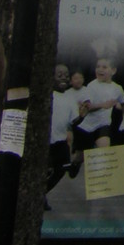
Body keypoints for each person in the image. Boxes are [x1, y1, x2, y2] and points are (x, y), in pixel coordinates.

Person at [70, 56, 124, 171]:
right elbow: (87, 107)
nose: (100, 69)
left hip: (103, 125)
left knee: (104, 148)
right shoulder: (92, 86)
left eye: (104, 67)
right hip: (86, 126)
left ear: (113, 71)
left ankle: (101, 179)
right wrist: (103, 105)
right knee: (81, 156)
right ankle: (76, 163)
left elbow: (123, 104)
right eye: (98, 67)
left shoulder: (117, 88)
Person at [47, 63, 82, 197]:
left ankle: (43, 192)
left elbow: (73, 121)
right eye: (59, 75)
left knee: (62, 169)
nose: (64, 78)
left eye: (67, 76)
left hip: (60, 140)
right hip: (47, 141)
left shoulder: (70, 98)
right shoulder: (49, 95)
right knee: (46, 169)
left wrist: (82, 116)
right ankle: (39, 195)